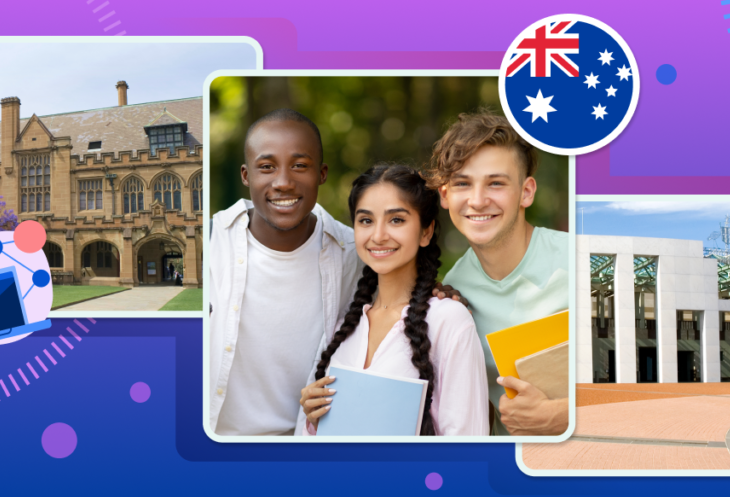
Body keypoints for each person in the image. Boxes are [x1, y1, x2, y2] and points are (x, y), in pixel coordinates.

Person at [209, 109, 464, 436]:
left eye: (300, 165)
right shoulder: (212, 242)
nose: (284, 182)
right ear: (246, 175)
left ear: (322, 173)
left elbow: (398, 282)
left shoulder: (354, 252)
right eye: (266, 166)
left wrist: (437, 292)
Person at [299, 164, 488, 436]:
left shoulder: (449, 320)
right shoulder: (344, 328)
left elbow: (467, 444)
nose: (378, 236)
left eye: (396, 220)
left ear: (426, 232)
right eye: (366, 220)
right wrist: (315, 419)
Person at [424, 112, 570, 436]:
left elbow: (658, 389)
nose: (477, 200)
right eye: (463, 183)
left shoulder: (583, 263)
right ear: (445, 195)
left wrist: (562, 416)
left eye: (496, 183)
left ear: (526, 192)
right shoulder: (452, 297)